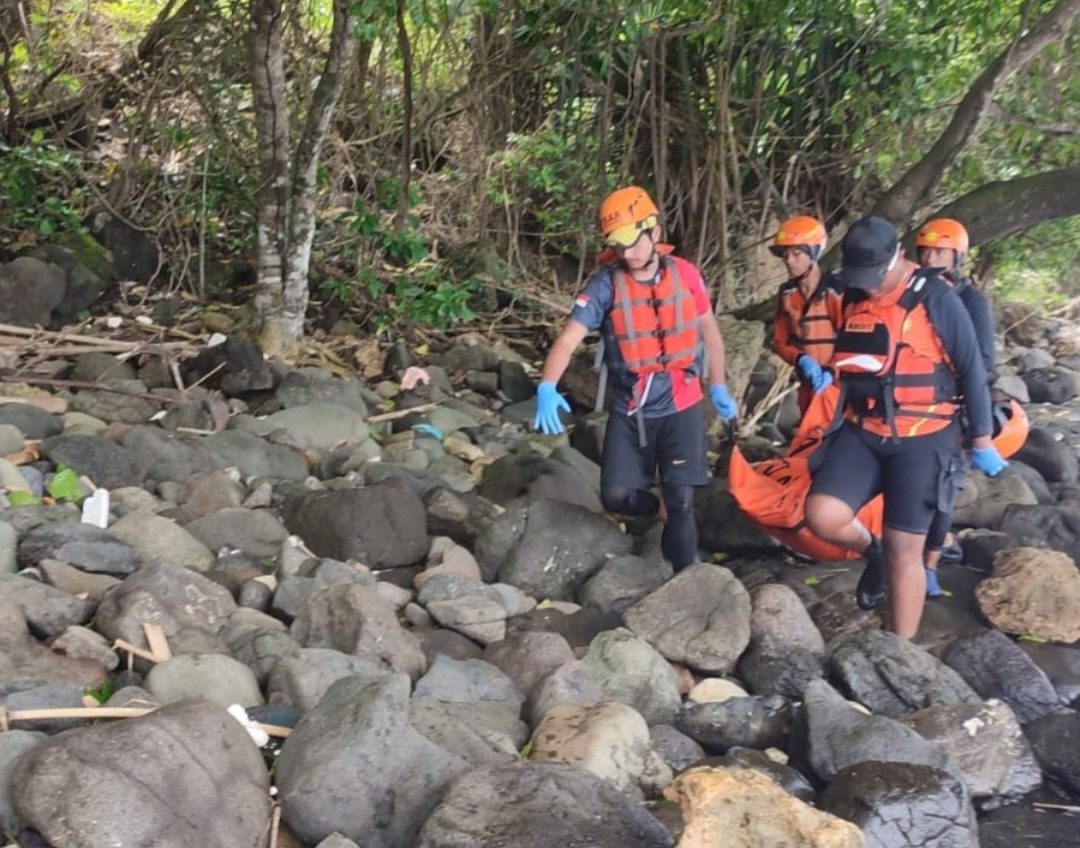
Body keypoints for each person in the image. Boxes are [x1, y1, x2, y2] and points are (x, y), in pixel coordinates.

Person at [804, 216, 1006, 640]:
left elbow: (971, 367)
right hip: (865, 429)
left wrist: (982, 438)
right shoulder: (855, 295)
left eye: (874, 277)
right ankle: (870, 552)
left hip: (924, 437)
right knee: (822, 514)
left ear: (897, 257)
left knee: (905, 549)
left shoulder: (936, 296)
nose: (869, 286)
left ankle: (902, 648)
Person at [533, 185, 737, 572]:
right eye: (618, 244)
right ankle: (659, 510)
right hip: (633, 407)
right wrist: (547, 385)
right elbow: (568, 339)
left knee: (682, 498)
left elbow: (710, 333)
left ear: (654, 231)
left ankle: (688, 580)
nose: (628, 253)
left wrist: (719, 384)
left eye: (633, 241)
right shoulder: (605, 285)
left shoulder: (687, 275)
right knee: (616, 496)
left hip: (681, 402)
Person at [914, 217, 996, 597]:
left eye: (939, 251)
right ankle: (921, 545)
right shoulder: (912, 293)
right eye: (925, 251)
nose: (931, 257)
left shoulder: (969, 300)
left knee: (942, 488)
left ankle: (929, 565)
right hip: (913, 406)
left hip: (954, 409)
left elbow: (982, 360)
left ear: (957, 256)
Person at [769, 215, 846, 412]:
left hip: (840, 387)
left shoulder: (835, 291)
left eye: (797, 254)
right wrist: (800, 359)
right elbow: (781, 342)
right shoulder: (786, 295)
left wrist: (832, 369)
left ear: (813, 253)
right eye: (785, 255)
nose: (789, 261)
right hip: (808, 387)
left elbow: (853, 341)